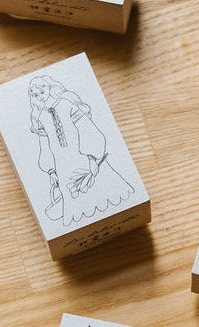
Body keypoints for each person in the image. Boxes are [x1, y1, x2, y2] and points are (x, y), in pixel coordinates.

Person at [28, 75, 134, 226]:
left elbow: (87, 130)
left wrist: (93, 158)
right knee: (77, 206)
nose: (40, 96)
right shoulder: (40, 118)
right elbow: (45, 147)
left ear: (49, 88)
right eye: (36, 95)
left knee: (104, 191)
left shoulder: (67, 104)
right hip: (63, 167)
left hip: (84, 158)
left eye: (42, 92)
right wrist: (51, 171)